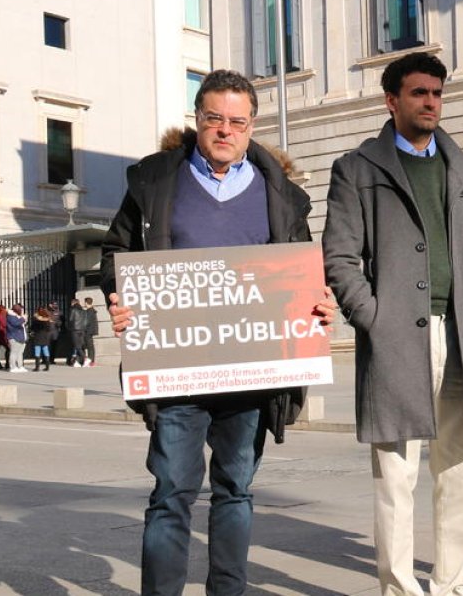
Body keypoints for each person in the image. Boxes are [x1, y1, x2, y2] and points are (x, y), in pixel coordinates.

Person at [101, 68, 335, 596]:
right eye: (215, 119)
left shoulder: (284, 196)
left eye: (237, 121)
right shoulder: (155, 181)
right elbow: (116, 254)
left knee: (235, 492)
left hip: (253, 376)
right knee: (171, 494)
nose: (225, 130)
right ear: (198, 120)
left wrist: (319, 304)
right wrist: (122, 298)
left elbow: (304, 271)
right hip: (175, 372)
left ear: (252, 126)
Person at [323, 51, 463, 596]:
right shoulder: (357, 169)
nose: (430, 102)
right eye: (419, 93)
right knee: (395, 480)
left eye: (436, 93)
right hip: (398, 338)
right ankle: (400, 590)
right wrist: (372, 318)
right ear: (392, 100)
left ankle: (451, 587)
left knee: (459, 478)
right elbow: (339, 257)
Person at [5, 304, 28, 373]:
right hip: (14, 337)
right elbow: (16, 324)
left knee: (20, 353)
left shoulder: (17, 316)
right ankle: (13, 367)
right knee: (14, 352)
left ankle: (20, 366)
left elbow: (21, 325)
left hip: (20, 337)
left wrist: (23, 319)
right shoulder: (11, 316)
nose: (22, 311)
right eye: (21, 309)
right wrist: (23, 318)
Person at [30, 307, 54, 372]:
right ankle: (47, 367)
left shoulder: (36, 320)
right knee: (45, 350)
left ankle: (37, 367)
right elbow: (49, 329)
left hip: (38, 336)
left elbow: (32, 328)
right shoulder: (47, 320)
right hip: (45, 337)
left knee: (37, 351)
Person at [67, 298, 88, 367]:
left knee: (77, 346)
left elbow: (70, 319)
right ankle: (79, 362)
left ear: (73, 303)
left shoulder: (73, 310)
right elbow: (86, 321)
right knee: (81, 346)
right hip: (82, 330)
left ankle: (85, 358)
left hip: (75, 330)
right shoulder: (84, 311)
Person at [83, 297, 98, 367]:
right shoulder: (92, 310)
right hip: (91, 330)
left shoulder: (89, 311)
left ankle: (90, 360)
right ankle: (92, 361)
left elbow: (86, 322)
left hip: (88, 331)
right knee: (91, 346)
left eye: (84, 302)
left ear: (86, 303)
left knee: (89, 346)